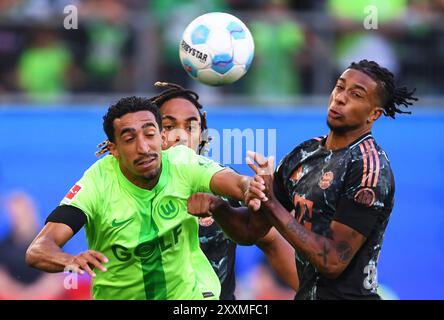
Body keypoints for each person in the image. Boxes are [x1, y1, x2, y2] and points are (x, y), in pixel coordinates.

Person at [25, 96, 252, 300]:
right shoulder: (96, 183)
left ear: (162, 137)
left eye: (150, 134)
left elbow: (235, 182)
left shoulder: (183, 163)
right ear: (113, 149)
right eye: (129, 139)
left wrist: (250, 185)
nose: (143, 148)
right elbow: (38, 249)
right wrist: (68, 260)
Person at [244, 59, 417, 299]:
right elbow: (252, 230)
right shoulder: (305, 153)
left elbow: (333, 261)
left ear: (374, 114)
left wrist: (271, 202)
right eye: (339, 87)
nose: (340, 98)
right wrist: (227, 200)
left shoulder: (368, 167)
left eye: (356, 94)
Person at [149, 81, 298, 299]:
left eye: (191, 127)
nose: (180, 135)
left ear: (202, 136)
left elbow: (272, 241)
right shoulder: (132, 186)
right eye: (169, 126)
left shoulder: (222, 185)